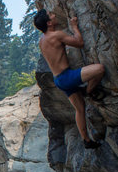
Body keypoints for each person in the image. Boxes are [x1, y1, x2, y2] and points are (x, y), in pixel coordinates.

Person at [34, 9, 105, 148]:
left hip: (59, 80)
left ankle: (87, 140)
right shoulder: (57, 35)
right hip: (67, 77)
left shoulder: (42, 41)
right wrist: (74, 27)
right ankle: (88, 91)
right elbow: (79, 43)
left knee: (80, 109)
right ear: (49, 23)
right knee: (100, 69)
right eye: (51, 15)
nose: (54, 14)